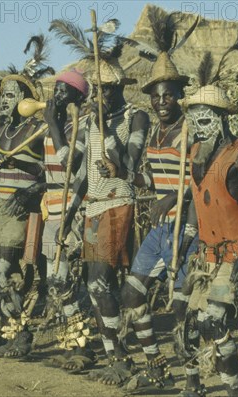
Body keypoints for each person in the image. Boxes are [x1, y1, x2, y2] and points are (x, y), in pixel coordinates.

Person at [174, 84, 238, 397]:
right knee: (189, 322)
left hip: (236, 255)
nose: (198, 129)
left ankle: (236, 391)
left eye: (204, 121)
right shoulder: (195, 153)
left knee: (212, 322)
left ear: (221, 119)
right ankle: (193, 385)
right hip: (205, 256)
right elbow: (197, 200)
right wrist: (184, 243)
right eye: (193, 122)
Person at [58, 48, 150, 385]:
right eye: (97, 90)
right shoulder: (89, 123)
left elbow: (129, 163)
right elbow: (81, 171)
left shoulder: (135, 118)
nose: (102, 96)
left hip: (118, 202)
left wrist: (105, 129)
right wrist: (69, 216)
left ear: (122, 87)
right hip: (92, 206)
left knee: (98, 283)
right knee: (97, 285)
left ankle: (121, 358)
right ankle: (116, 354)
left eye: (108, 90)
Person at [119, 12, 198, 388]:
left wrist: (173, 197)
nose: (163, 101)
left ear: (181, 96)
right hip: (160, 232)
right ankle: (156, 366)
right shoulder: (155, 132)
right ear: (150, 100)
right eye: (156, 96)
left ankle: (195, 381)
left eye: (169, 95)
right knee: (132, 295)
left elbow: (205, 180)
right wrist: (124, 174)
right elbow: (150, 177)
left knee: (186, 313)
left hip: (190, 228)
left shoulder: (193, 130)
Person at [0, 36, 53, 357]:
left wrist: (23, 167)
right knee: (1, 275)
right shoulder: (1, 131)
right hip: (0, 206)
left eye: (12, 96)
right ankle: (8, 332)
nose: (5, 101)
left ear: (25, 99)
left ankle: (22, 335)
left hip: (23, 208)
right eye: (4, 96)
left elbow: (46, 171)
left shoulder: (37, 130)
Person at [39, 70, 95, 371]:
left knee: (71, 279)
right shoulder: (53, 128)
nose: (57, 96)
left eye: (64, 91)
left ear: (78, 97)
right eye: (56, 90)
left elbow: (72, 167)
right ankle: (69, 342)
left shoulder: (83, 126)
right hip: (53, 211)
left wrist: (52, 125)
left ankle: (86, 346)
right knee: (56, 281)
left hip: (74, 211)